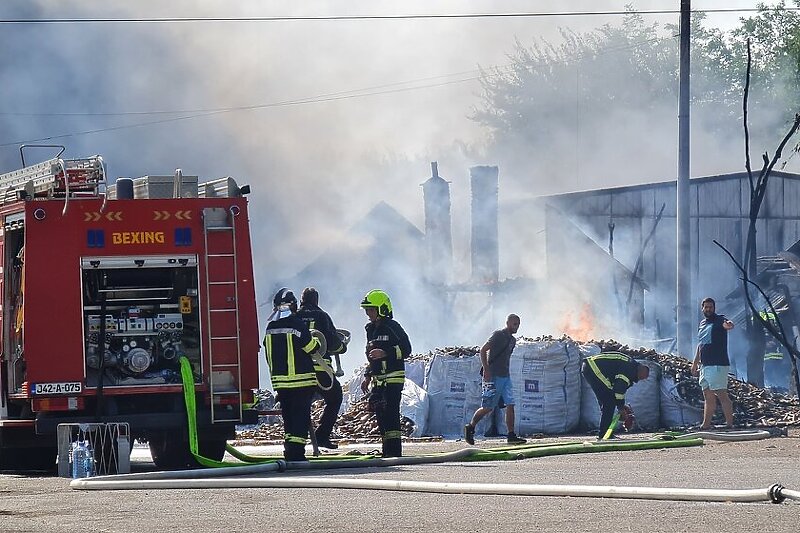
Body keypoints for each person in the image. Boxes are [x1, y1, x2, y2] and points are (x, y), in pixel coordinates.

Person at [263, 288, 321, 461]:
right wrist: (316, 340)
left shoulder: (270, 328)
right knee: (300, 418)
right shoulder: (297, 325)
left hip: (281, 384)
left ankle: (289, 452)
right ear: (293, 305)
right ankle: (297, 455)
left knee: (288, 418)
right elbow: (311, 348)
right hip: (301, 381)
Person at [359, 289, 411, 457]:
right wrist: (367, 375)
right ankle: (386, 451)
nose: (368, 313)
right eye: (367, 310)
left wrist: (386, 352)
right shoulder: (370, 330)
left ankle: (394, 452)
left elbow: (406, 349)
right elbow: (371, 356)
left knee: (391, 414)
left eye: (372, 309)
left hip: (393, 378)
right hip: (378, 379)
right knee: (380, 415)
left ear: (382, 309)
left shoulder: (392, 327)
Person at [296, 287, 348, 449]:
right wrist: (342, 347)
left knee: (301, 404)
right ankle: (321, 436)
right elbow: (333, 342)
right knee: (335, 398)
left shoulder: (294, 317)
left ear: (301, 300)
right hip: (321, 370)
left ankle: (298, 440)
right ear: (316, 300)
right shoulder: (322, 316)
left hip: (300, 372)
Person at [464, 314, 527, 446]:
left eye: (518, 324)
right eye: (514, 324)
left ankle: (511, 435)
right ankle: (471, 426)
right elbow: (483, 350)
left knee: (511, 404)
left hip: (506, 377)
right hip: (492, 377)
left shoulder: (512, 341)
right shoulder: (498, 335)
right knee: (487, 407)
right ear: (508, 323)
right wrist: (486, 369)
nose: (516, 327)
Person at [581, 352, 649, 439]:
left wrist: (620, 405)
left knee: (608, 402)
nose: (638, 380)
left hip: (590, 367)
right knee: (609, 402)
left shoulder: (631, 366)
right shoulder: (629, 370)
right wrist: (621, 408)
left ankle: (605, 433)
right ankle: (604, 434)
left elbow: (616, 391)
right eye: (640, 377)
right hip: (593, 368)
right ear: (640, 371)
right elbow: (619, 390)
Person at [691, 297, 735, 429]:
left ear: (714, 308)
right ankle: (705, 425)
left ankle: (729, 424)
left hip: (718, 365)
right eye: (706, 307)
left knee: (721, 394)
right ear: (702, 308)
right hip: (705, 365)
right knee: (707, 395)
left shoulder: (720, 320)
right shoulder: (702, 324)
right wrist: (695, 363)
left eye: (711, 307)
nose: (708, 309)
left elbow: (728, 324)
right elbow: (701, 345)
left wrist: (729, 325)